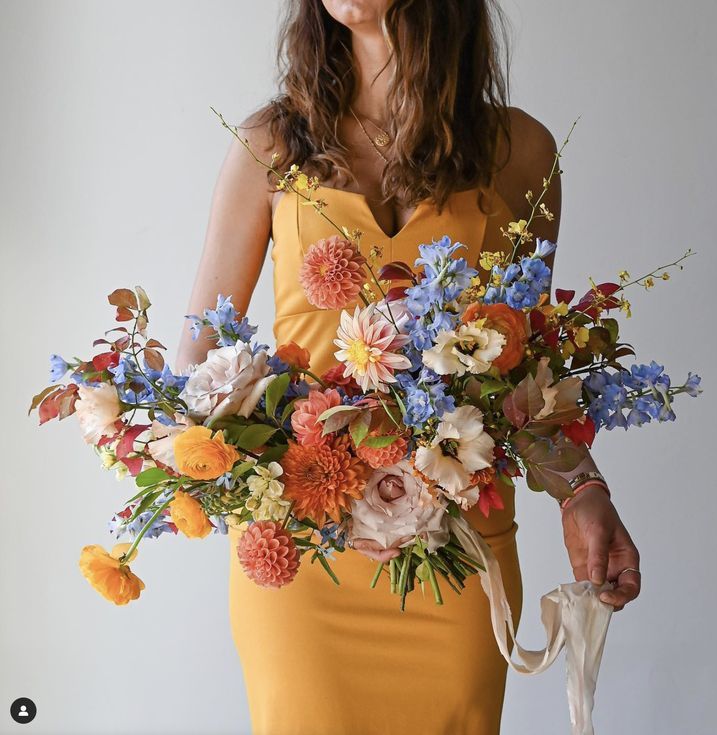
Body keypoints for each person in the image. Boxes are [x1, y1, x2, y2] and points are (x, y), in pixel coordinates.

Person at [176, 1, 641, 733]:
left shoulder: (518, 149)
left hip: (454, 551)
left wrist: (583, 491)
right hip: (309, 559)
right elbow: (197, 359)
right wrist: (268, 453)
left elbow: (525, 375)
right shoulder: (271, 143)